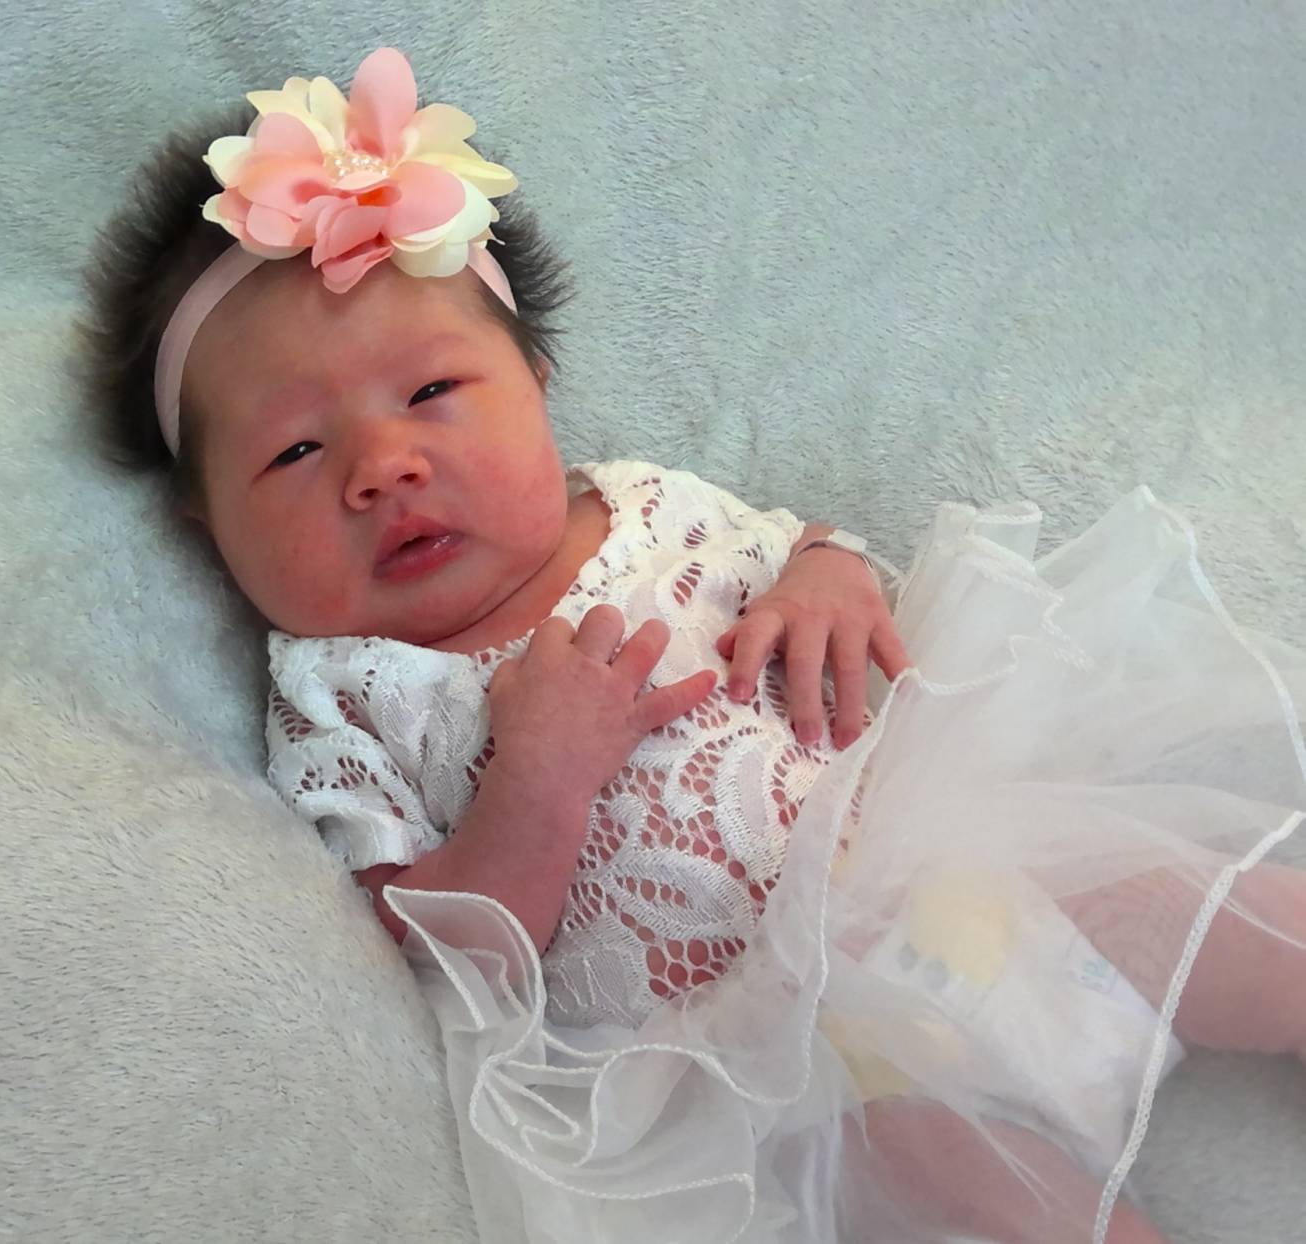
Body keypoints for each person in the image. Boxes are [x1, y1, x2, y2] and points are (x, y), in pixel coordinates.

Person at [81, 46, 1306, 1244]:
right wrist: (535, 784)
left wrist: (825, 580)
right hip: (783, 1061)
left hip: (935, 860)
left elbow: (804, 549)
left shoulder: (642, 503)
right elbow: (438, 953)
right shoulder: (342, 698)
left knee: (1164, 893)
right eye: (295, 451)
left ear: (537, 381)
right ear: (206, 523)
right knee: (951, 1177)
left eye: (433, 392)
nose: (383, 466)